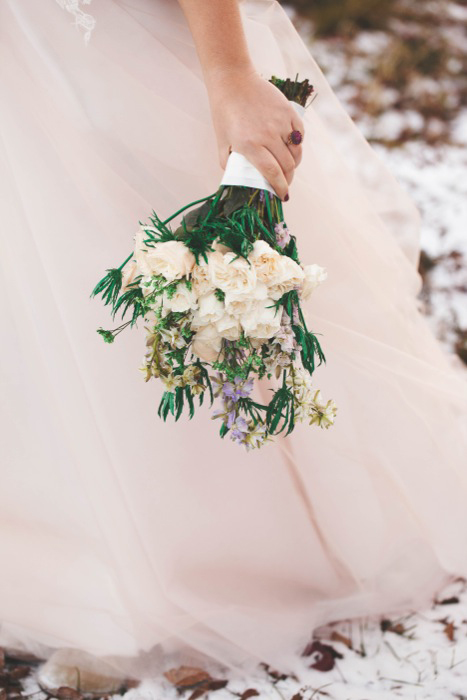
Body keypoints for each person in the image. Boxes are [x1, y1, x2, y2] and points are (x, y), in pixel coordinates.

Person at [1, 0, 467, 694]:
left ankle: (210, 563)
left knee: (132, 252)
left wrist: (228, 73)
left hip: (91, 39)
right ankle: (65, 553)